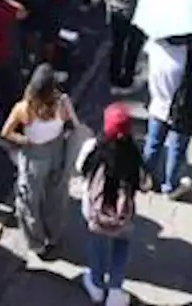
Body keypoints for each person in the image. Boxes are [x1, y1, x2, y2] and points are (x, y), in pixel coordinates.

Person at [0, 64, 77, 256]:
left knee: (30, 201)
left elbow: (6, 132)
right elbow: (71, 124)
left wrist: (25, 140)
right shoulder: (62, 102)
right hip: (58, 151)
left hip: (34, 155)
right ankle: (54, 235)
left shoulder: (24, 109)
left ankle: (37, 242)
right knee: (55, 196)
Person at [76, 103, 144, 306]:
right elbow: (143, 182)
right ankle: (115, 291)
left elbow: (80, 168)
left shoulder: (93, 148)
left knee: (97, 245)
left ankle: (96, 285)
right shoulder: (133, 153)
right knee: (121, 246)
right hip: (123, 215)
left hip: (95, 212)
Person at [142, 34, 192, 197]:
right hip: (181, 110)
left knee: (153, 143)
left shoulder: (154, 44)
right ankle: (170, 186)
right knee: (176, 149)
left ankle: (145, 179)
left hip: (157, 104)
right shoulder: (189, 54)